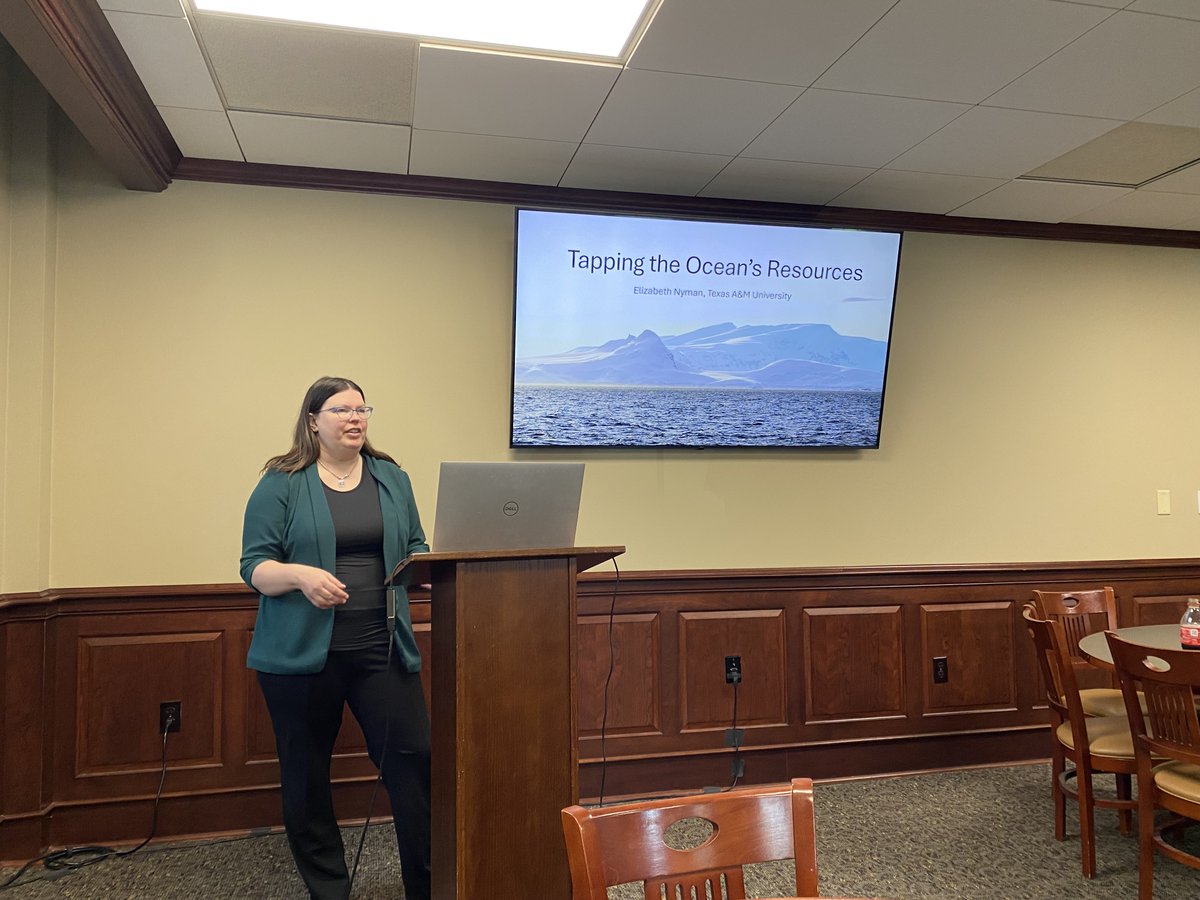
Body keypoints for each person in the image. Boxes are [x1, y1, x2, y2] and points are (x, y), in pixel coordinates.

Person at [239, 376, 431, 900]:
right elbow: (254, 566)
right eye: (342, 410)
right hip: (301, 658)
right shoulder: (281, 481)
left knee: (415, 765)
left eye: (362, 409)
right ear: (313, 421)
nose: (355, 418)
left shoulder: (391, 476)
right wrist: (301, 576)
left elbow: (416, 547)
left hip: (382, 649)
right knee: (306, 781)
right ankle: (330, 892)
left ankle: (428, 886)